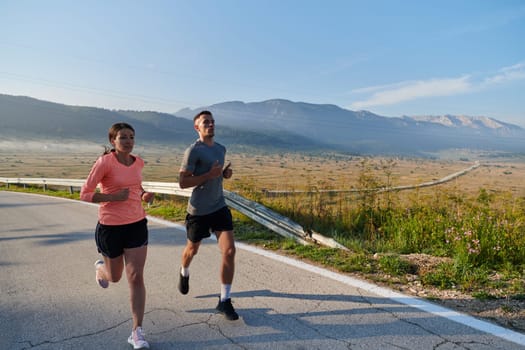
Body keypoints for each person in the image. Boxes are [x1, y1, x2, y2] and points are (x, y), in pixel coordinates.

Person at [80, 122, 154, 349]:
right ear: (113, 141)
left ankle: (137, 331)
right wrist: (112, 198)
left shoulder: (138, 162)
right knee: (114, 277)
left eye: (131, 136)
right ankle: (101, 268)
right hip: (111, 227)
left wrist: (144, 195)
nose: (128, 141)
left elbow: (135, 187)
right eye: (123, 137)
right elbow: (85, 194)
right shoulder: (104, 163)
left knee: (136, 277)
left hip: (137, 224)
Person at [178, 110, 238, 321]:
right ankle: (184, 271)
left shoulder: (221, 149)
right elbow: (183, 182)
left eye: (212, 122)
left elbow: (217, 175)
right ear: (197, 127)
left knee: (229, 251)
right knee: (192, 250)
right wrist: (208, 175)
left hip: (219, 206)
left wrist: (223, 175)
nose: (210, 125)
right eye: (206, 122)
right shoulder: (193, 151)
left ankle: (224, 300)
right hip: (198, 211)